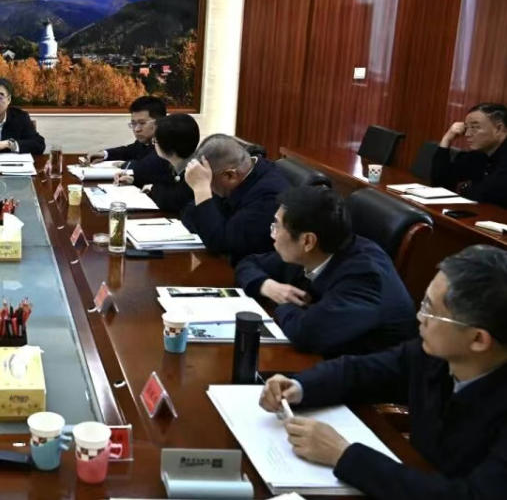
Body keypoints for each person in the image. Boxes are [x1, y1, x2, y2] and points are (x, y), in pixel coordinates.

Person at [259, 245, 507, 498]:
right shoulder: (433, 354)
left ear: (478, 339)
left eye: (431, 310)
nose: (420, 317)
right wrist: (299, 386)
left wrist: (343, 454)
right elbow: (362, 371)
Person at [235, 186, 416, 356]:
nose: (272, 234)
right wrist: (268, 287)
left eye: (277, 227)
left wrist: (283, 303)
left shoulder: (365, 277)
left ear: (307, 241)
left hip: (367, 370)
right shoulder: (312, 250)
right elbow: (247, 264)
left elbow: (306, 334)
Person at [181, 134, 290, 264]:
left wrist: (201, 189)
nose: (210, 189)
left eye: (209, 183)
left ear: (230, 175)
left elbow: (220, 244)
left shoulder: (269, 197)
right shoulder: (239, 178)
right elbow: (188, 215)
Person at [434, 102, 507, 207]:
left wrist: (466, 188)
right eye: (466, 127)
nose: (467, 134)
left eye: (475, 127)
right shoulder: (479, 154)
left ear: (499, 128)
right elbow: (440, 183)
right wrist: (447, 139)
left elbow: (486, 195)